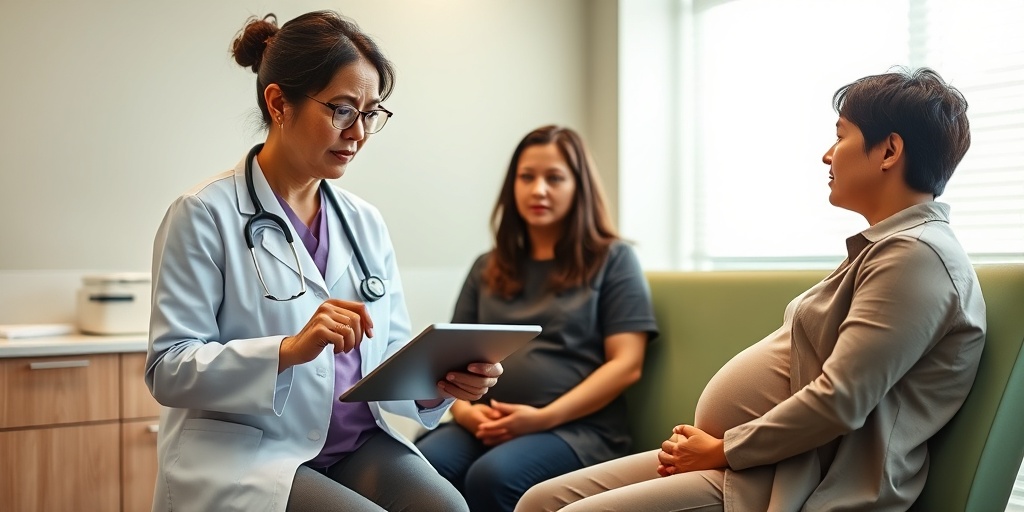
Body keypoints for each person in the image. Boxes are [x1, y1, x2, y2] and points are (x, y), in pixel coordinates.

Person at [515, 67, 986, 512]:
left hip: (791, 480)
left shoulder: (915, 256)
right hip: (757, 464)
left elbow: (840, 400)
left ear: (889, 151)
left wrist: (723, 449)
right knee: (539, 501)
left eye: (841, 136)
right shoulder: (886, 249)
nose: (827, 155)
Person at [144, 11, 503, 512]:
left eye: (370, 113)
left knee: (448, 508)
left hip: (355, 445)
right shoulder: (203, 214)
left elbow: (387, 350)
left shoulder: (364, 221)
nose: (358, 132)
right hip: (251, 453)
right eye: (342, 110)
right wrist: (288, 350)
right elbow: (169, 368)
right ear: (278, 103)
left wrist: (436, 386)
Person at [414, 125, 659, 512]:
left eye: (554, 178)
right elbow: (448, 360)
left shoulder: (614, 260)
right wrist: (467, 413)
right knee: (421, 467)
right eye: (527, 177)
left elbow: (626, 364)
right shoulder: (486, 267)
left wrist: (543, 418)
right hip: (486, 424)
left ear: (579, 187)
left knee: (493, 477)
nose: (538, 190)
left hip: (575, 429)